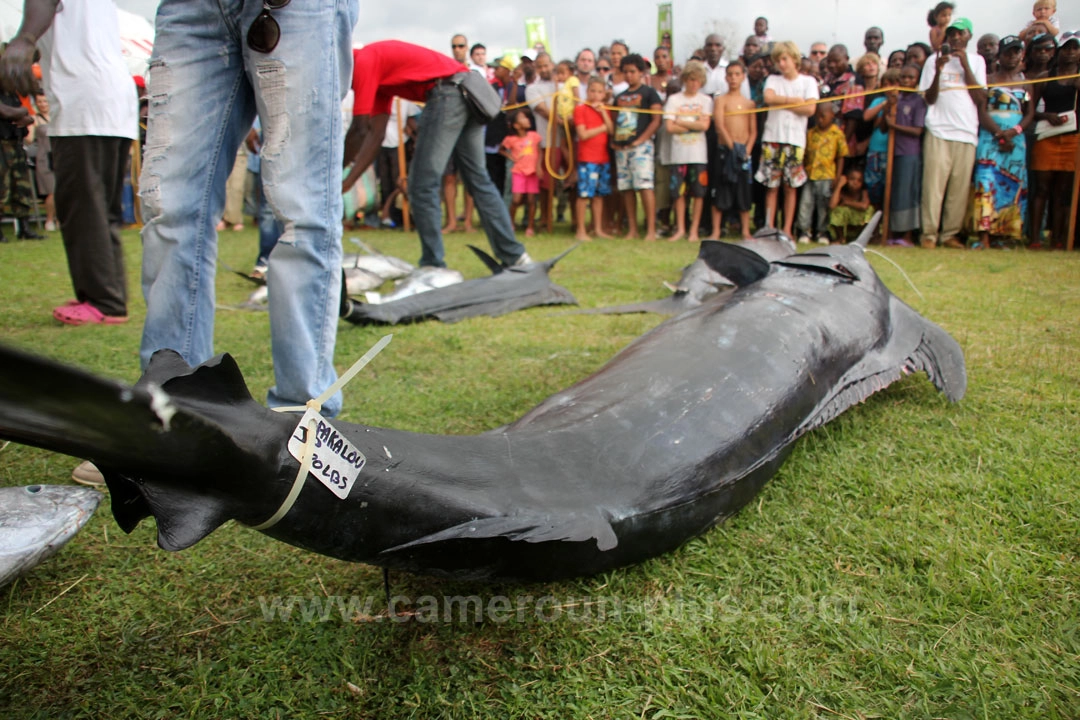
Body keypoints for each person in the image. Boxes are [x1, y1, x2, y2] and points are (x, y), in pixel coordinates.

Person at [1, 0, 137, 326]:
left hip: (82, 102)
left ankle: (103, 301)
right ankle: (105, 295)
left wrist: (24, 39)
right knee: (101, 210)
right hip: (111, 100)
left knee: (82, 206)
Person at [344, 40, 530, 270]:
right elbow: (376, 135)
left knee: (422, 184)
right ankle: (516, 258)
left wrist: (336, 177)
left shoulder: (362, 62)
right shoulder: (377, 71)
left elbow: (359, 129)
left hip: (448, 93)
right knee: (478, 179)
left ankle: (433, 266)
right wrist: (347, 182)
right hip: (467, 91)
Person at [919, 16, 987, 249]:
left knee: (958, 189)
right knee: (933, 188)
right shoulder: (932, 60)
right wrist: (939, 71)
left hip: (967, 132)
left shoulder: (978, 61)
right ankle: (928, 234)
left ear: (969, 36)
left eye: (962, 33)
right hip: (938, 130)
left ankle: (949, 235)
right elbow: (929, 98)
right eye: (953, 33)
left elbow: (980, 98)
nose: (956, 37)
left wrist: (965, 64)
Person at [971, 35, 1032, 249]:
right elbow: (981, 111)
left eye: (1016, 52)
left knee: (1012, 184)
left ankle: (1003, 235)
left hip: (1016, 140)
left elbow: (1029, 114)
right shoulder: (988, 79)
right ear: (1000, 55)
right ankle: (984, 236)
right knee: (987, 181)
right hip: (990, 137)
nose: (1012, 56)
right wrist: (999, 133)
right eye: (1008, 52)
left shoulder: (1026, 83)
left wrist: (1013, 132)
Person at [756, 41, 819, 238]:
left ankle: (787, 229)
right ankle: (769, 227)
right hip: (772, 137)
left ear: (794, 59)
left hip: (795, 139)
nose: (781, 64)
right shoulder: (773, 80)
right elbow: (769, 98)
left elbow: (809, 109)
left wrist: (782, 102)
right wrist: (793, 101)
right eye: (778, 60)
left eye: (784, 59)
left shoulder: (808, 82)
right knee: (771, 186)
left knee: (790, 187)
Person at [1030, 32, 1079, 249]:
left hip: (1072, 138)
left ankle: (1058, 238)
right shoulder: (1044, 76)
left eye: (1075, 49)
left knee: (1063, 191)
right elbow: (1030, 110)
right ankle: (1035, 238)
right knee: (1042, 189)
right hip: (1047, 136)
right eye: (1066, 48)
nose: (1070, 53)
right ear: (1058, 52)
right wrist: (1045, 115)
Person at [612, 53, 663, 241]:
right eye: (625, 72)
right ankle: (632, 229)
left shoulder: (650, 93)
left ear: (641, 72)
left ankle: (650, 230)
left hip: (642, 147)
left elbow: (656, 120)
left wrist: (641, 140)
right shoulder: (619, 97)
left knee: (644, 186)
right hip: (622, 147)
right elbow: (614, 120)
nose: (629, 75)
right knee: (626, 188)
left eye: (632, 71)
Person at [663, 61, 712, 242]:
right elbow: (669, 127)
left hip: (698, 155)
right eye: (690, 79)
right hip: (678, 154)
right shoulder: (674, 100)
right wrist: (693, 124)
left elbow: (704, 125)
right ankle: (681, 228)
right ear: (684, 79)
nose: (693, 83)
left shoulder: (706, 101)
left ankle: (694, 231)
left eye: (697, 80)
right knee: (678, 193)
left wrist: (681, 122)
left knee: (698, 192)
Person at [709, 61, 757, 240]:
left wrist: (746, 152)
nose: (734, 78)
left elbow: (753, 131)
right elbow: (719, 125)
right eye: (730, 74)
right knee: (721, 189)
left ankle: (745, 230)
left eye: (737, 74)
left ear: (743, 76)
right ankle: (716, 230)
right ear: (726, 77)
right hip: (725, 151)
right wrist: (732, 147)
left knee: (743, 192)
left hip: (743, 154)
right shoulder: (721, 100)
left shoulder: (749, 104)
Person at [881, 65, 927, 245]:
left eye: (911, 78)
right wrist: (888, 109)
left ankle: (907, 235)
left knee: (907, 193)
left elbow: (918, 130)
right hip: (893, 152)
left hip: (910, 153)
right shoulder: (895, 100)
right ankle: (891, 233)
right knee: (893, 192)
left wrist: (895, 126)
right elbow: (884, 128)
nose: (906, 81)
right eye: (903, 78)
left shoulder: (918, 101)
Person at [796, 102, 848, 244]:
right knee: (806, 203)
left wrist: (837, 176)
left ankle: (822, 232)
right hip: (810, 174)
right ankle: (804, 230)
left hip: (827, 175)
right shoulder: (811, 133)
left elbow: (841, 156)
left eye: (823, 116)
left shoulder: (837, 134)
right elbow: (805, 154)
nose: (820, 120)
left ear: (832, 115)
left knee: (823, 205)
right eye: (818, 117)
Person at [573, 77, 614, 241]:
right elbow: (583, 134)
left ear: (604, 94)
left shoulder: (605, 110)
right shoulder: (581, 109)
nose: (596, 95)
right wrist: (603, 127)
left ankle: (597, 228)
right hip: (587, 158)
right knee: (584, 194)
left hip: (602, 158)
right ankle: (581, 230)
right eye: (592, 91)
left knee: (598, 195)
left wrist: (603, 112)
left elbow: (611, 130)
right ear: (587, 91)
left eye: (599, 92)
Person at [0, 71, 39, 242]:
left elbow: (30, 117)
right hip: (2, 144)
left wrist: (26, 118)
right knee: (2, 188)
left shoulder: (13, 94)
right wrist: (21, 113)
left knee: (22, 187)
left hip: (16, 143)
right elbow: (6, 112)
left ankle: (24, 227)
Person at [862, 67, 902, 209]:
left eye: (894, 83)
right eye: (887, 84)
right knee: (874, 186)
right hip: (876, 149)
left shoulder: (904, 102)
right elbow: (867, 116)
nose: (890, 88)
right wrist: (885, 104)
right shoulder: (879, 100)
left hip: (893, 150)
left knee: (890, 186)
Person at [500, 109, 542, 237]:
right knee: (516, 199)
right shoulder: (510, 139)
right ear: (516, 125)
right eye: (523, 118)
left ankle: (530, 226)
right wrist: (511, 157)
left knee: (531, 199)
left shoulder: (534, 136)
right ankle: (511, 223)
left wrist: (539, 166)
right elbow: (501, 150)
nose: (527, 120)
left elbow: (540, 152)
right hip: (518, 171)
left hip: (532, 172)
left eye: (527, 118)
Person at [829, 167, 873, 242]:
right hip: (846, 229)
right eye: (852, 179)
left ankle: (863, 238)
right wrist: (839, 186)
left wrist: (847, 202)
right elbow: (832, 205)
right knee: (838, 210)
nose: (855, 182)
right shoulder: (842, 192)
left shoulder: (863, 191)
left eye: (859, 180)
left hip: (858, 227)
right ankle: (840, 238)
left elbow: (864, 206)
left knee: (870, 209)